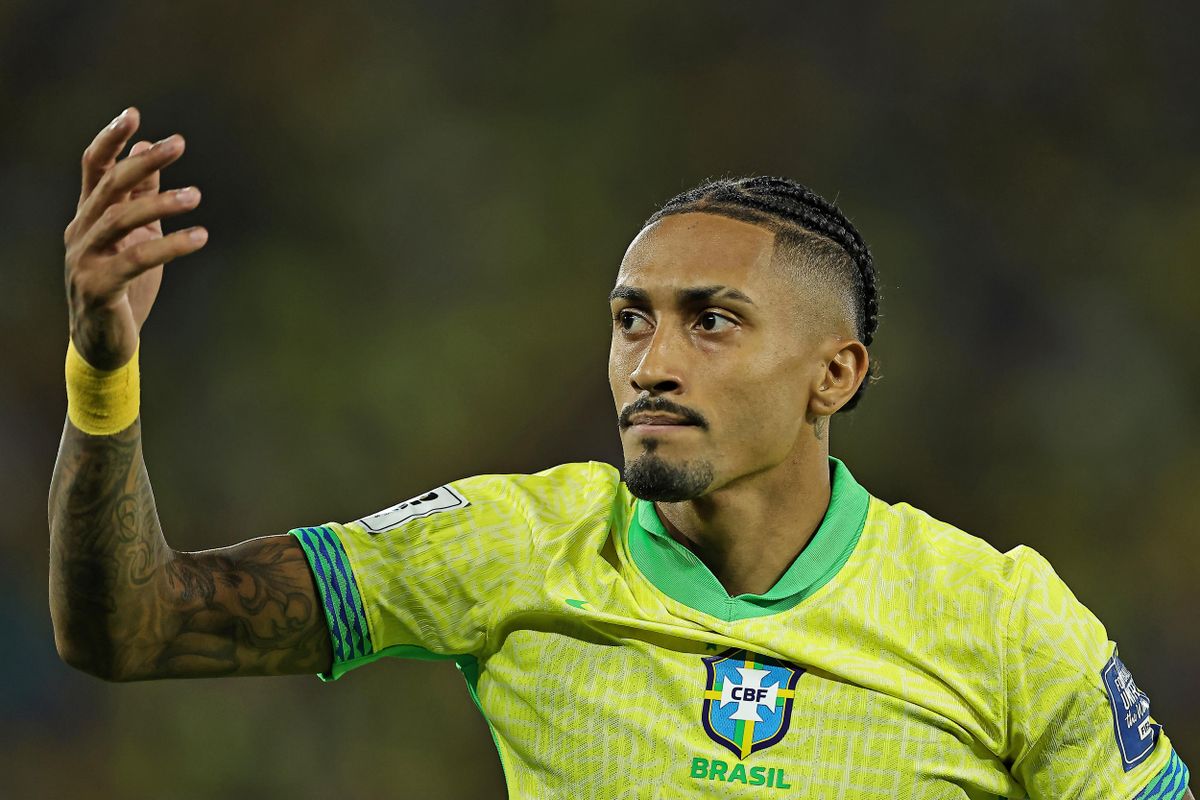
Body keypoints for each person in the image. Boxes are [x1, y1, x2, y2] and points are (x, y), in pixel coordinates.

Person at [49, 107, 1191, 800]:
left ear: (835, 375)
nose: (652, 362)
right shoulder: (510, 547)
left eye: (712, 321)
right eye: (631, 319)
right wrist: (105, 367)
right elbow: (130, 628)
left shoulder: (1003, 619)